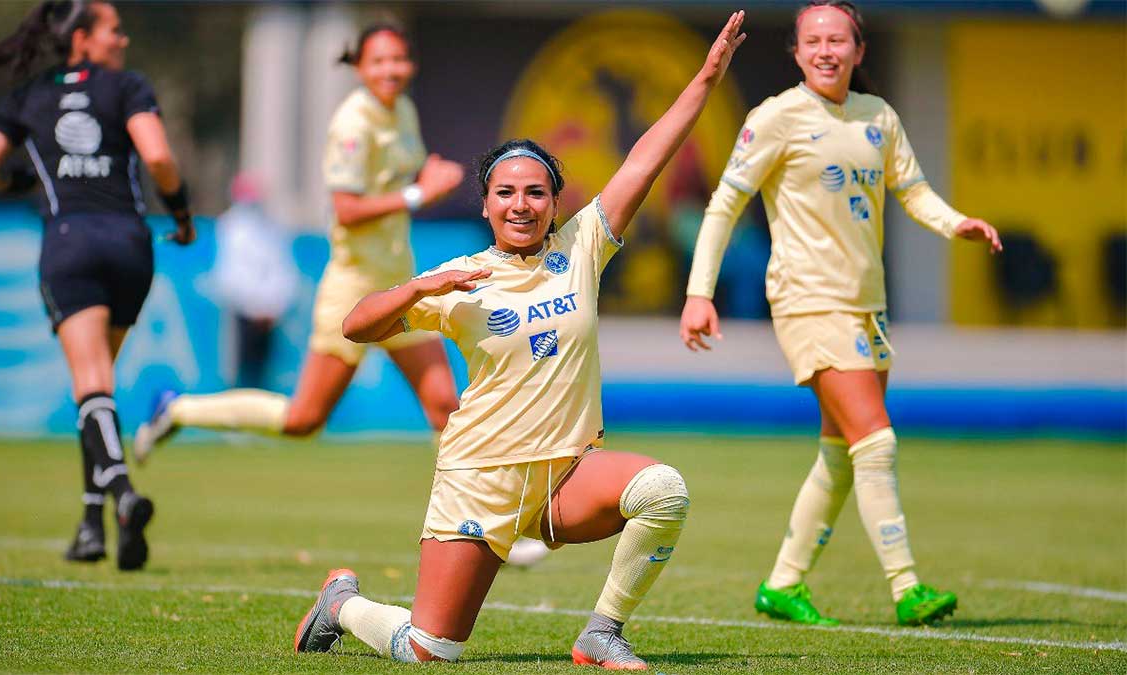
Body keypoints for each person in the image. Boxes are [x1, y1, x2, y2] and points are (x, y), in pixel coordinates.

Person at [292, 13, 748, 669]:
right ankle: (341, 604)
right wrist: (421, 288)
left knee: (663, 490)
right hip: (479, 477)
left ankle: (600, 634)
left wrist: (705, 79)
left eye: (536, 192)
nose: (521, 204)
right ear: (486, 204)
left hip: (566, 472)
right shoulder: (460, 280)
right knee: (431, 648)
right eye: (506, 192)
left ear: (556, 202)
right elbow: (356, 323)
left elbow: (647, 156)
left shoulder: (582, 245)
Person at [680, 0, 1002, 627]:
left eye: (838, 39)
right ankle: (908, 588)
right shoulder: (775, 118)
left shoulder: (878, 116)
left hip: (866, 306)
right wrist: (700, 292)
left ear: (859, 50)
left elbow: (911, 188)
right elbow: (723, 203)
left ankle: (783, 584)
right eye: (813, 40)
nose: (826, 50)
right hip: (807, 301)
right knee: (875, 440)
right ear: (797, 53)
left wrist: (954, 222)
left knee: (840, 451)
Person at [133, 24, 464, 457]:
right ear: (360, 67)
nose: (391, 69)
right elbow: (347, 209)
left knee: (446, 410)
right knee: (303, 419)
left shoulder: (402, 110)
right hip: (356, 289)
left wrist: (428, 177)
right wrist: (422, 192)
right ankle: (177, 410)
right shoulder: (353, 122)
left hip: (399, 282)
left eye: (399, 59)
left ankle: (467, 521)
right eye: (379, 60)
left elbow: (394, 183)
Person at [0, 0, 195, 570]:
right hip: (130, 244)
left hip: (69, 244)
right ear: (83, 39)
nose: (124, 40)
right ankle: (93, 524)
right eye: (115, 30)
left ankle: (122, 492)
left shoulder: (29, 95)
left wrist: (30, 179)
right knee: (98, 392)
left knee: (91, 387)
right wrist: (182, 213)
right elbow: (159, 157)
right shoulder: (128, 87)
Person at [211, 172, 298, 388]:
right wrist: (255, 307)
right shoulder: (230, 227)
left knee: (264, 371)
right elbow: (232, 275)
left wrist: (273, 307)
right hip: (243, 313)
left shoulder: (271, 227)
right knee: (239, 368)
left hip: (268, 315)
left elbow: (282, 270)